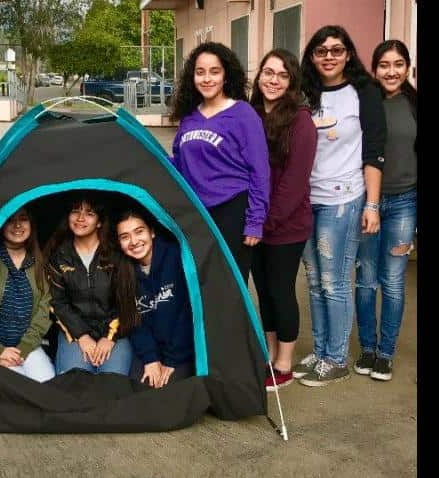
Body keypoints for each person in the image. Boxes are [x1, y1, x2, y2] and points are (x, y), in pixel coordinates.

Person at [293, 26, 386, 387]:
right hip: (307, 200)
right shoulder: (305, 93)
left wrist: (372, 205)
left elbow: (375, 151)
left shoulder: (364, 92)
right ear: (312, 56)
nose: (328, 56)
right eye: (320, 51)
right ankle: (320, 352)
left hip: (344, 200)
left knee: (334, 281)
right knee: (315, 281)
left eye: (336, 49)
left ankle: (336, 358)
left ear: (348, 53)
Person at [169, 42, 270, 281]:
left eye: (214, 71)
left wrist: (255, 221)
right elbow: (180, 165)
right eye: (200, 72)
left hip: (233, 211)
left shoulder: (243, 114)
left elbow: (260, 171)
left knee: (231, 286)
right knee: (203, 284)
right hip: (198, 214)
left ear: (226, 75)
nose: (207, 79)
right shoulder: (190, 117)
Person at [248, 49, 317, 391]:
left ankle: (285, 362)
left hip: (285, 226)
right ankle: (270, 355)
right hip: (254, 226)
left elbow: (293, 184)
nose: (273, 80)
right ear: (259, 75)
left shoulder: (301, 121)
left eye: (282, 75)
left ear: (291, 82)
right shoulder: (251, 114)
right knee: (264, 292)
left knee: (281, 291)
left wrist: (264, 223)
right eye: (268, 72)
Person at [353, 39, 417, 382]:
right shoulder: (366, 102)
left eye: (398, 64)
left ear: (407, 68)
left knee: (393, 281)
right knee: (366, 279)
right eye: (384, 65)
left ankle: (386, 352)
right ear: (374, 69)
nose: (391, 71)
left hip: (405, 202)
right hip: (368, 203)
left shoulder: (413, 104)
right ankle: (366, 347)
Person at [44, 193, 138, 376]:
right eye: (75, 211)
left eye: (89, 213)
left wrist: (109, 337)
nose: (80, 218)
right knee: (73, 384)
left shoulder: (115, 254)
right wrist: (82, 335)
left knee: (113, 384)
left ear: (100, 222)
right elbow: (56, 302)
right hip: (74, 331)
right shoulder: (58, 255)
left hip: (115, 331)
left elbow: (128, 299)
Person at [0, 207, 55, 382]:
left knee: (47, 386)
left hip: (26, 347)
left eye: (23, 219)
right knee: (18, 388)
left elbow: (43, 312)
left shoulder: (39, 262)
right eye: (10, 219)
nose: (17, 225)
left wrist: (23, 348)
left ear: (31, 224)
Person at [115, 210, 195, 388]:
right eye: (125, 237)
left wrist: (171, 360)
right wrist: (150, 358)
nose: (134, 242)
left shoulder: (176, 258)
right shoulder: (123, 272)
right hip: (150, 350)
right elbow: (133, 321)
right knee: (139, 389)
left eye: (139, 231)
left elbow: (188, 314)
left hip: (180, 350)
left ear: (152, 232)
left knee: (170, 394)